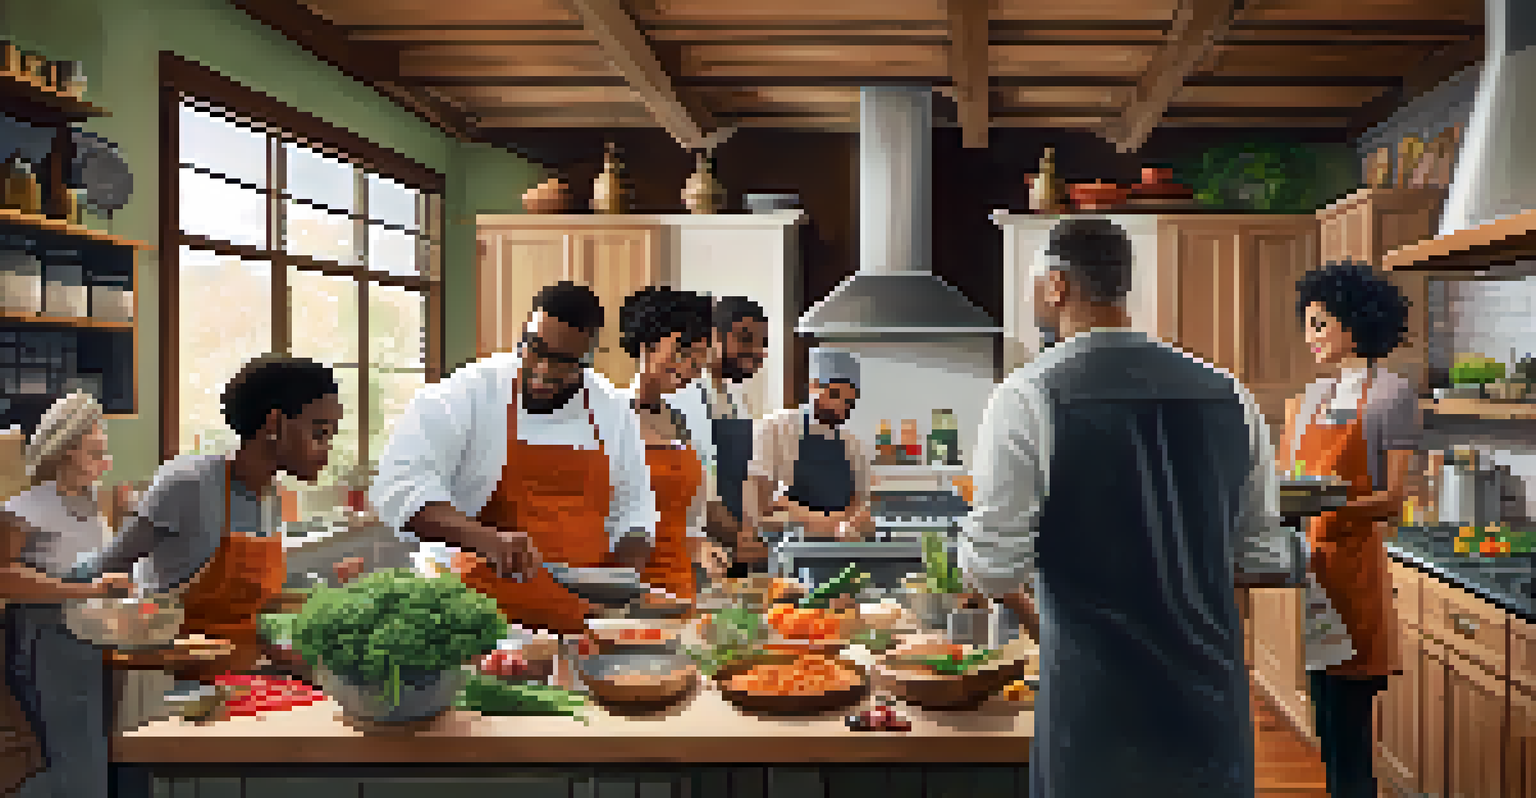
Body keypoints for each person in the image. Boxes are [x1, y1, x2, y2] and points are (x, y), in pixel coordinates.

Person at [956, 218, 1303, 798]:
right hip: (1208, 713)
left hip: (1095, 719)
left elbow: (992, 569)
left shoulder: (1027, 397)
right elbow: (1265, 556)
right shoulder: (1229, 393)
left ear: (1057, 286)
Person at [371, 281, 655, 636]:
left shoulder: (612, 411)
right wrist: (487, 539)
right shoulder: (466, 393)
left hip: (579, 623)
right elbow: (398, 489)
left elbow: (634, 509)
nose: (544, 370)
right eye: (535, 349)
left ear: (588, 359)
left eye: (565, 363)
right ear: (524, 334)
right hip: (473, 618)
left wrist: (618, 585)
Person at [71, 355, 343, 684]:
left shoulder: (274, 498)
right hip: (172, 683)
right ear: (274, 424)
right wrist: (33, 579)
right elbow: (108, 566)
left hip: (243, 678)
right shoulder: (189, 482)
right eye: (319, 433)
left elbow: (252, 609)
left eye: (330, 437)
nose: (326, 450)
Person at [1283, 260, 1418, 798]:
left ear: (1356, 322)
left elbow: (1392, 499)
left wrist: (1327, 507)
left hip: (1355, 577)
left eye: (1320, 323)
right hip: (1312, 572)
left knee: (1351, 722)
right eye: (1307, 323)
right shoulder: (1311, 399)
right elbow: (1292, 478)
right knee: (1327, 722)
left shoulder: (1391, 394)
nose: (1309, 336)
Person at [0, 393, 133, 797]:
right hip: (48, 647)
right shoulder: (25, 509)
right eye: (97, 452)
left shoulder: (92, 505)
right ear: (67, 449)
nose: (106, 463)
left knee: (89, 761)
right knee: (77, 766)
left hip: (90, 643)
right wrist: (85, 588)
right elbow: (3, 576)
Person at [616, 287, 712, 600]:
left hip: (680, 589)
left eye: (698, 360)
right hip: (623, 590)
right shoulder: (609, 418)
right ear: (647, 344)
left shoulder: (682, 425)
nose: (690, 369)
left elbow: (690, 518)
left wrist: (699, 543)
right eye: (682, 353)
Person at [665, 296, 770, 577]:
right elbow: (697, 487)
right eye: (745, 339)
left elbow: (744, 478)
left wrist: (753, 532)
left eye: (763, 343)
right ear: (711, 337)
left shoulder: (738, 400)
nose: (757, 351)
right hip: (698, 553)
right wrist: (739, 537)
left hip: (734, 549)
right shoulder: (682, 397)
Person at [745, 347, 875, 542]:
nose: (841, 406)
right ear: (813, 386)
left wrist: (795, 511)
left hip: (843, 557)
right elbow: (761, 511)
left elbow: (861, 517)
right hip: (788, 556)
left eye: (849, 401)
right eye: (835, 395)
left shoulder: (854, 447)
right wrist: (837, 524)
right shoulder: (774, 429)